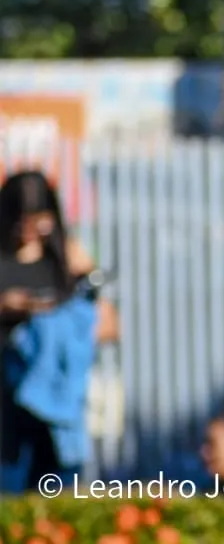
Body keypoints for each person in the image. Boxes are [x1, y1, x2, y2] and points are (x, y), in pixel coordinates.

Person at [0, 170, 117, 492]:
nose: (29, 232)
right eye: (20, 221)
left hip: (53, 398)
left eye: (39, 221)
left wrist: (59, 333)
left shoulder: (67, 256)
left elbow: (106, 323)